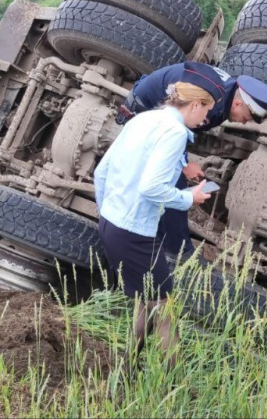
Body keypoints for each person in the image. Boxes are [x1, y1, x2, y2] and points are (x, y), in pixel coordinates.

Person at [94, 81, 216, 362]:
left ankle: (127, 370)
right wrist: (189, 198)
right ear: (195, 105)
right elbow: (150, 188)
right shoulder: (175, 133)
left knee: (148, 302)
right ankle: (170, 389)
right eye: (205, 111)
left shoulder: (144, 118)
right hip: (135, 232)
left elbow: (102, 172)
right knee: (164, 309)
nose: (205, 119)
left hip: (112, 223)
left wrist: (108, 214)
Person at [116, 61, 267, 257]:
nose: (247, 122)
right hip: (143, 112)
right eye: (248, 116)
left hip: (161, 111)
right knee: (171, 185)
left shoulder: (226, 94)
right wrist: (184, 165)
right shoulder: (213, 105)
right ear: (238, 103)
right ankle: (177, 252)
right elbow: (170, 130)